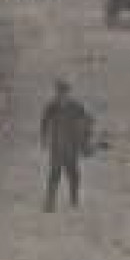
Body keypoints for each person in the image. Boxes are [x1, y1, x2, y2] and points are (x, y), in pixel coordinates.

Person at [40, 78, 92, 212]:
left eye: (63, 93)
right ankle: (50, 202)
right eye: (59, 93)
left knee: (73, 174)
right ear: (56, 93)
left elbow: (88, 121)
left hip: (71, 146)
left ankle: (73, 198)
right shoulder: (52, 107)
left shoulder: (76, 107)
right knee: (55, 174)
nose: (61, 96)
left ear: (68, 93)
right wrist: (44, 139)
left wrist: (85, 141)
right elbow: (44, 123)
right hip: (57, 147)